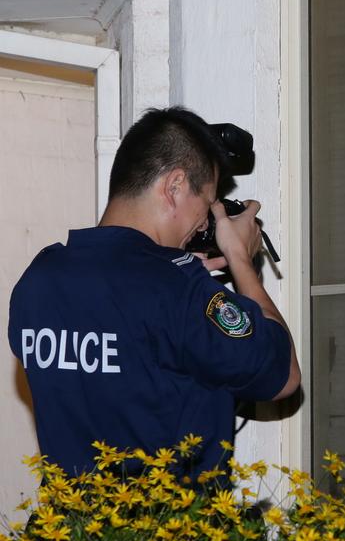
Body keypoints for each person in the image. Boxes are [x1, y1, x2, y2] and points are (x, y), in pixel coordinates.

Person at [8, 106, 300, 482]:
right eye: (206, 201)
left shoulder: (39, 279)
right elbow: (284, 376)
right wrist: (240, 259)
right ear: (174, 186)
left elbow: (123, 347)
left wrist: (176, 271)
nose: (203, 224)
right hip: (166, 535)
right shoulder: (179, 288)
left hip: (70, 532)